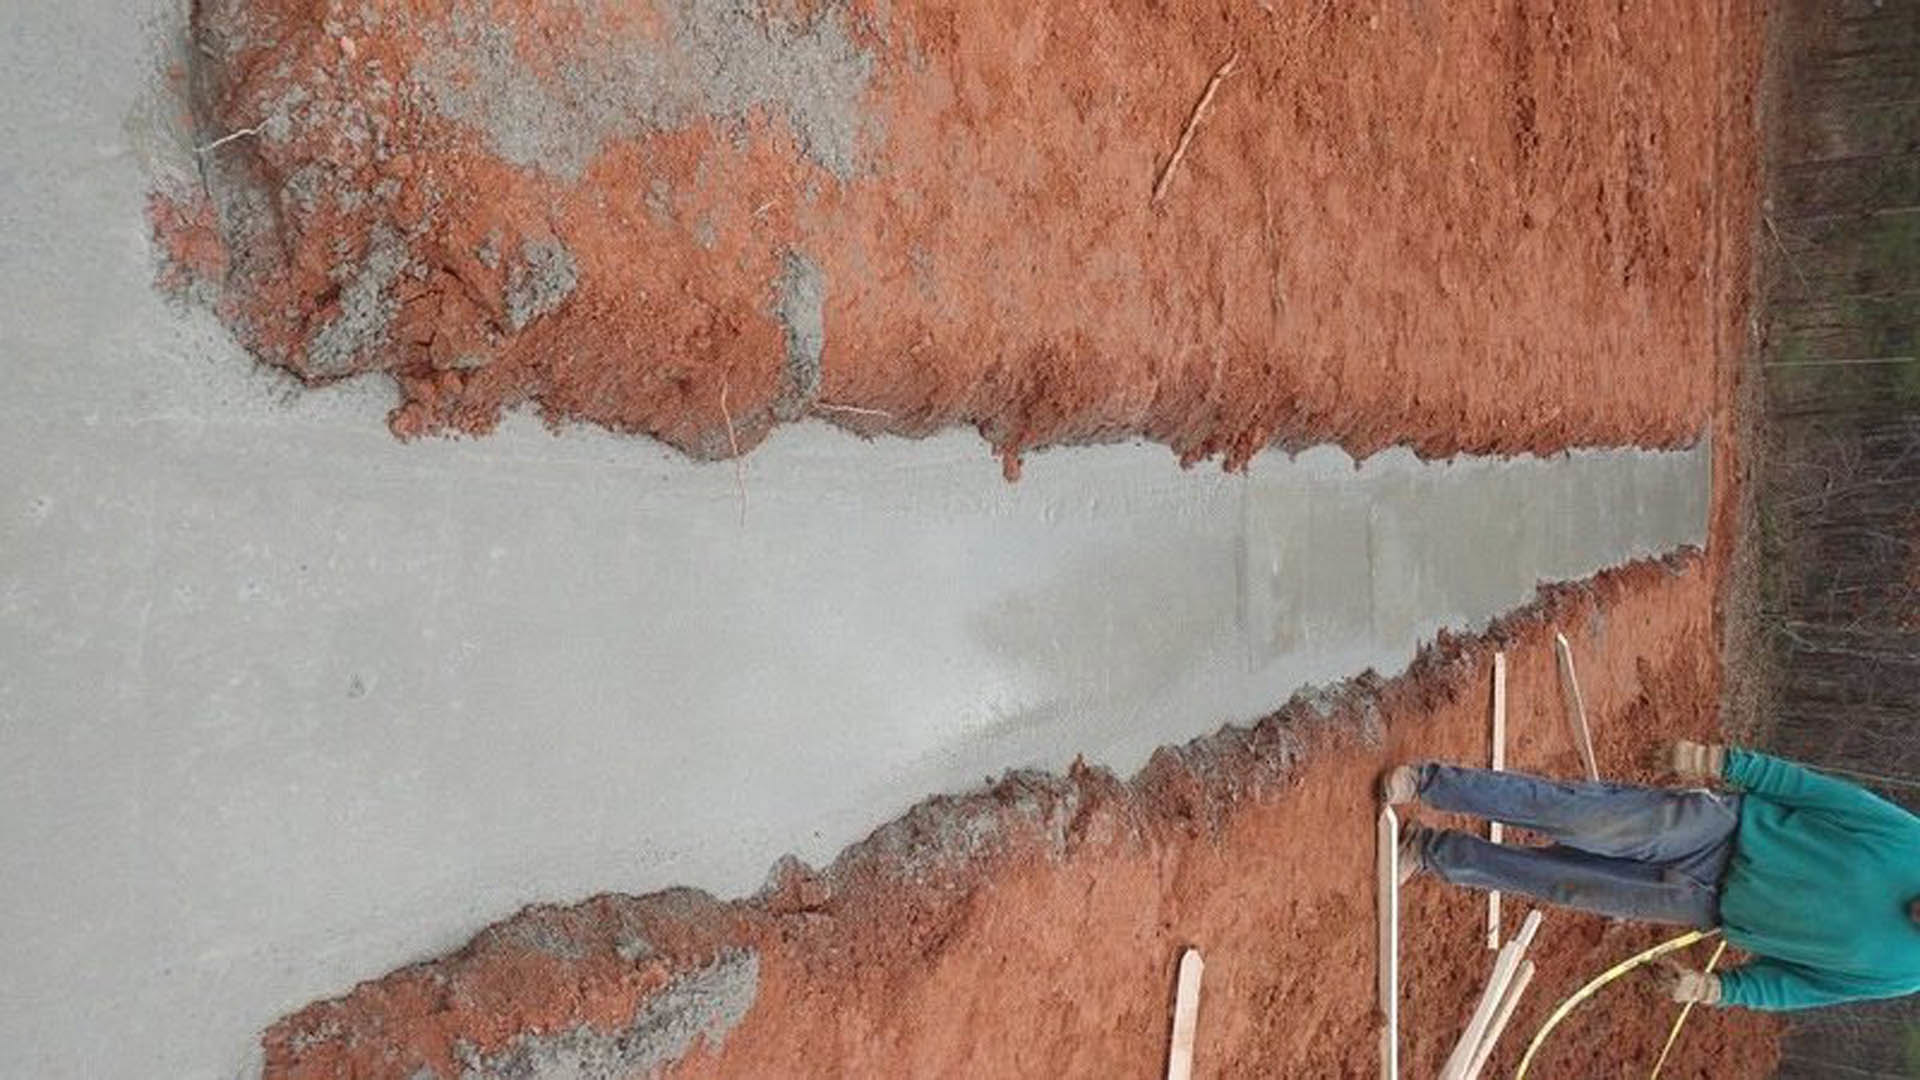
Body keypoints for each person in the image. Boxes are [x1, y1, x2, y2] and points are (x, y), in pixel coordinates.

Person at [1383, 740, 1920, 1011]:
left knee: (1561, 881)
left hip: (1705, 905)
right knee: (1577, 817)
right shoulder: (1910, 842)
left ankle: (1430, 851)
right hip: (1723, 830)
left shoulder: (1904, 974)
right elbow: (1825, 796)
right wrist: (1722, 762)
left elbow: (1802, 987)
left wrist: (1716, 989)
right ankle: (1429, 783)